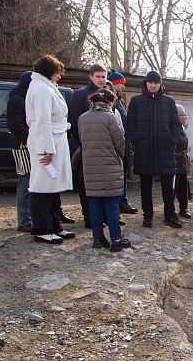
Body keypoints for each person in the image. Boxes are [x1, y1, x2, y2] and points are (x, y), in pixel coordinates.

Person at [26, 54, 75, 245]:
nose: (60, 76)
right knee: (42, 187)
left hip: (54, 141)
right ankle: (42, 229)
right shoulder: (41, 89)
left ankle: (54, 225)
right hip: (46, 143)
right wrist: (45, 149)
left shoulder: (46, 87)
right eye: (58, 72)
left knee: (53, 188)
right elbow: (43, 120)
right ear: (50, 71)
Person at [126, 70, 183, 229]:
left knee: (167, 186)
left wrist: (173, 140)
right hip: (145, 150)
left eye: (156, 82)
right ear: (145, 83)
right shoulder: (137, 101)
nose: (152, 85)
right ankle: (148, 216)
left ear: (160, 84)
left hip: (165, 149)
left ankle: (170, 214)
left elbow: (176, 124)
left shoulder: (168, 102)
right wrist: (137, 139)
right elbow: (131, 124)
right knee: (145, 185)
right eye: (150, 82)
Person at [78, 88, 131, 252]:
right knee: (112, 204)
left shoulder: (82, 118)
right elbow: (120, 142)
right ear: (108, 103)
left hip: (90, 167)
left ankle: (98, 238)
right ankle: (116, 239)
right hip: (110, 167)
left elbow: (81, 140)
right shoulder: (110, 118)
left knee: (94, 203)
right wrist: (121, 157)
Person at [68, 63, 108, 227]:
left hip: (104, 149)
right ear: (91, 76)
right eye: (97, 76)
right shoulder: (81, 94)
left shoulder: (106, 94)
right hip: (87, 149)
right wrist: (84, 143)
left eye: (103, 77)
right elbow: (74, 121)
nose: (100, 79)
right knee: (87, 185)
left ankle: (104, 216)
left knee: (103, 185)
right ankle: (89, 218)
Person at [107, 69, 138, 215]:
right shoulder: (111, 101)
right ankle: (117, 203)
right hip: (114, 145)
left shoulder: (120, 101)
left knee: (123, 173)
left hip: (124, 142)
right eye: (122, 84)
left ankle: (122, 201)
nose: (124, 87)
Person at [6, 71, 33, 233]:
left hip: (29, 144)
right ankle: (23, 220)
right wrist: (31, 139)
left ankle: (29, 218)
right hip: (23, 146)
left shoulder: (25, 98)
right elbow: (15, 124)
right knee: (25, 183)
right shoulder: (17, 100)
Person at [175, 104, 191, 219]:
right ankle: (170, 209)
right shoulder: (174, 129)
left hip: (182, 162)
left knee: (183, 186)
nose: (185, 116)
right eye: (182, 114)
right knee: (174, 186)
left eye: (185, 114)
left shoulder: (182, 128)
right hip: (175, 162)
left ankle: (183, 208)